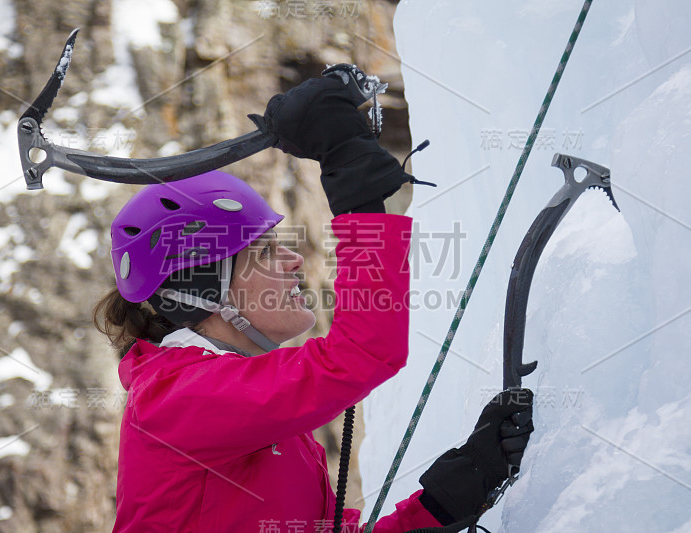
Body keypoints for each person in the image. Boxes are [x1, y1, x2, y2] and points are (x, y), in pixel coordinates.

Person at [94, 67, 535, 533]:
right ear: (203, 290)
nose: (293, 261)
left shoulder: (227, 401)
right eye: (263, 251)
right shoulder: (177, 400)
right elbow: (360, 353)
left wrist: (444, 502)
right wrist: (356, 191)